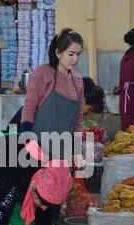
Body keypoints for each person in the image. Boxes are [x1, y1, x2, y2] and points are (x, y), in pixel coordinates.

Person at [20, 28, 85, 162]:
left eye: (79, 54)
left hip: (64, 151)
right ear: (58, 53)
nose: (75, 59)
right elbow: (29, 108)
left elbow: (78, 119)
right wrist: (30, 145)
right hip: (38, 148)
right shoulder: (42, 74)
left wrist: (77, 150)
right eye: (71, 54)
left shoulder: (78, 80)